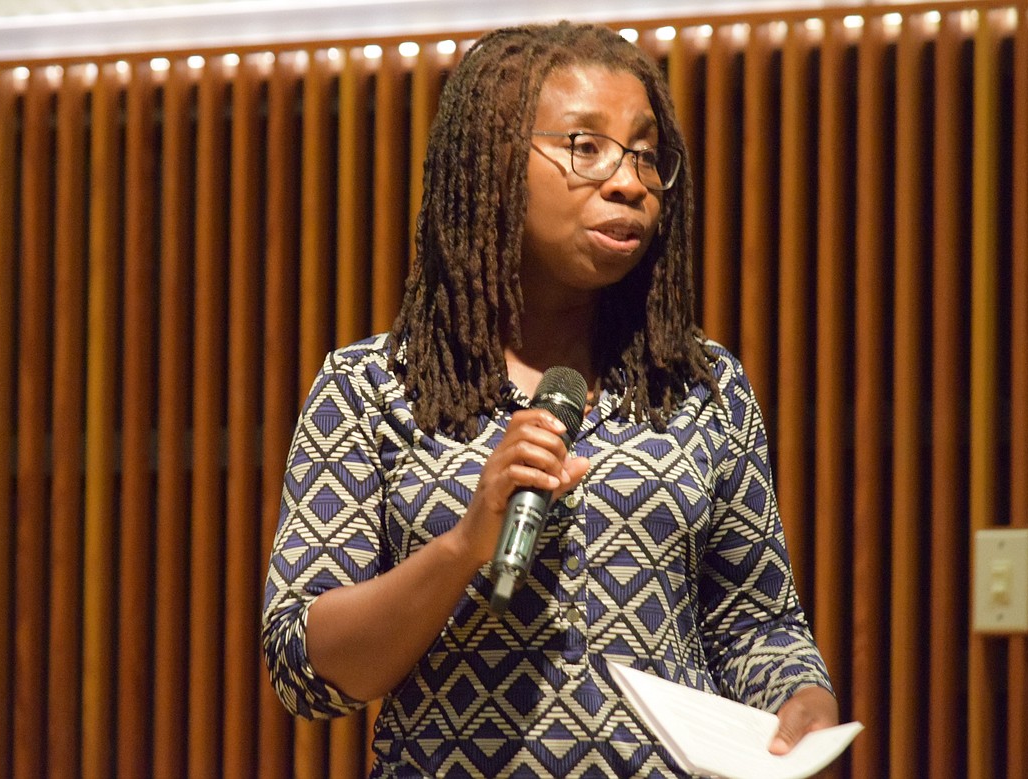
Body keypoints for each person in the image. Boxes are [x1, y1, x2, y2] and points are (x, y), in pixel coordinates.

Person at [262, 20, 838, 777]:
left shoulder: (703, 386)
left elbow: (755, 621)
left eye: (644, 153)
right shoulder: (371, 389)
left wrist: (803, 696)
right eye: (586, 146)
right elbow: (305, 663)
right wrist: (463, 545)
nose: (628, 181)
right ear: (493, 162)